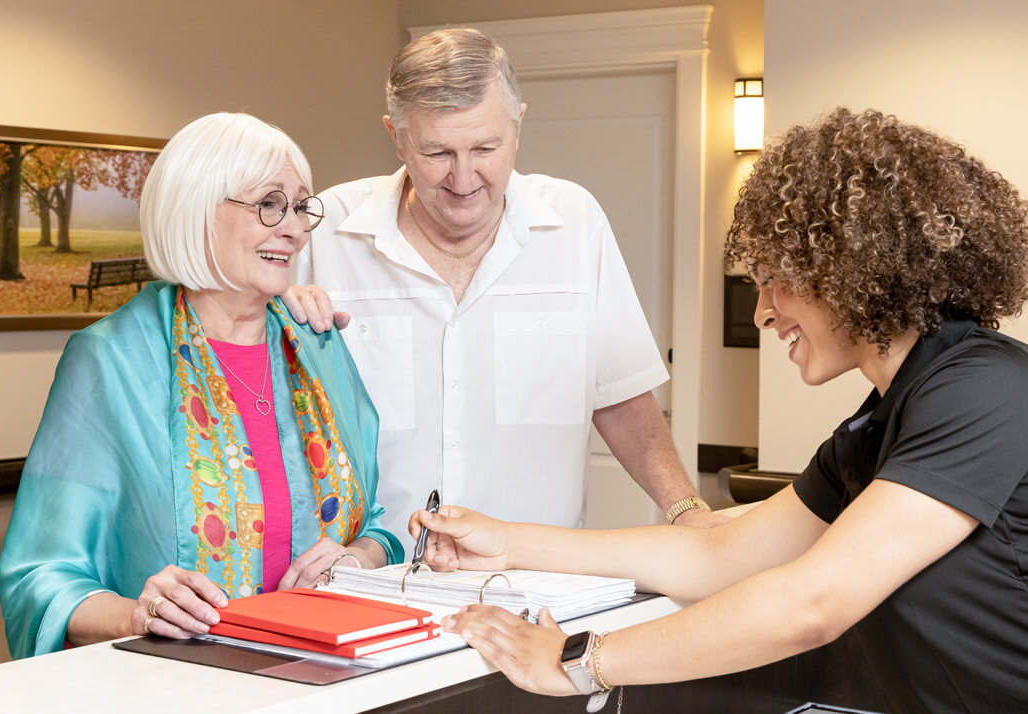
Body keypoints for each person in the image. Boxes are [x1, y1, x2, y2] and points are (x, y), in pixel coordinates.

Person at [410, 109, 1028, 713]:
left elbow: (811, 605)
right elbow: (717, 557)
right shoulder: (878, 425)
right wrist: (505, 543)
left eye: (772, 279)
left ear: (848, 268)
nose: (760, 313)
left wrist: (581, 659)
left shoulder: (990, 388)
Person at [284, 27, 724, 547]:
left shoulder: (573, 222)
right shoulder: (325, 230)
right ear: (396, 136)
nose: (464, 177)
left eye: (485, 147)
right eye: (437, 152)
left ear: (518, 124)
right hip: (368, 581)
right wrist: (267, 319)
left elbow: (620, 395)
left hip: (531, 584)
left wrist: (687, 509)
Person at [0, 113, 403, 660]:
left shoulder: (317, 344)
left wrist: (358, 559)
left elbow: (375, 526)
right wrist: (138, 613)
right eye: (269, 205)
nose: (295, 229)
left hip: (330, 681)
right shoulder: (111, 359)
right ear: (195, 211)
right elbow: (41, 578)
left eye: (300, 206)